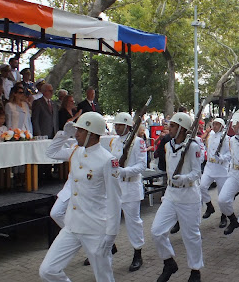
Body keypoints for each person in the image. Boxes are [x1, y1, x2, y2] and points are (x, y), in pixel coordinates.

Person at [39, 112, 121, 282]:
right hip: (72, 225)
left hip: (95, 228)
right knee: (47, 270)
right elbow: (51, 152)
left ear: (92, 133)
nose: (76, 134)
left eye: (80, 131)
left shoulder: (107, 160)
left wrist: (111, 234)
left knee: (104, 277)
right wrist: (64, 134)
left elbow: (114, 199)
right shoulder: (76, 152)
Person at [151, 112, 203, 282]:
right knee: (157, 231)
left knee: (191, 236)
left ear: (181, 128)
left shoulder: (193, 146)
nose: (169, 128)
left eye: (172, 126)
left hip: (188, 195)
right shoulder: (168, 145)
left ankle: (195, 270)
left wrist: (184, 178)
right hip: (171, 194)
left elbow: (197, 172)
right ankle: (169, 262)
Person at [108, 112, 147, 272]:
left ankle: (137, 253)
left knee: (133, 223)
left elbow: (142, 166)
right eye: (115, 125)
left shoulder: (138, 142)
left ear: (128, 126)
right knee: (109, 219)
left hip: (131, 186)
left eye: (119, 125)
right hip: (116, 187)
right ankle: (108, 247)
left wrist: (124, 171)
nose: (116, 128)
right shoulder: (114, 142)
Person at [200, 118, 231, 227]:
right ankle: (209, 206)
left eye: (218, 124)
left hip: (221, 168)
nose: (215, 126)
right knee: (202, 186)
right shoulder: (210, 136)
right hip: (209, 166)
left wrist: (222, 157)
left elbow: (230, 154)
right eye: (214, 124)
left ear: (222, 126)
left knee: (222, 195)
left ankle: (224, 216)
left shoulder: (227, 139)